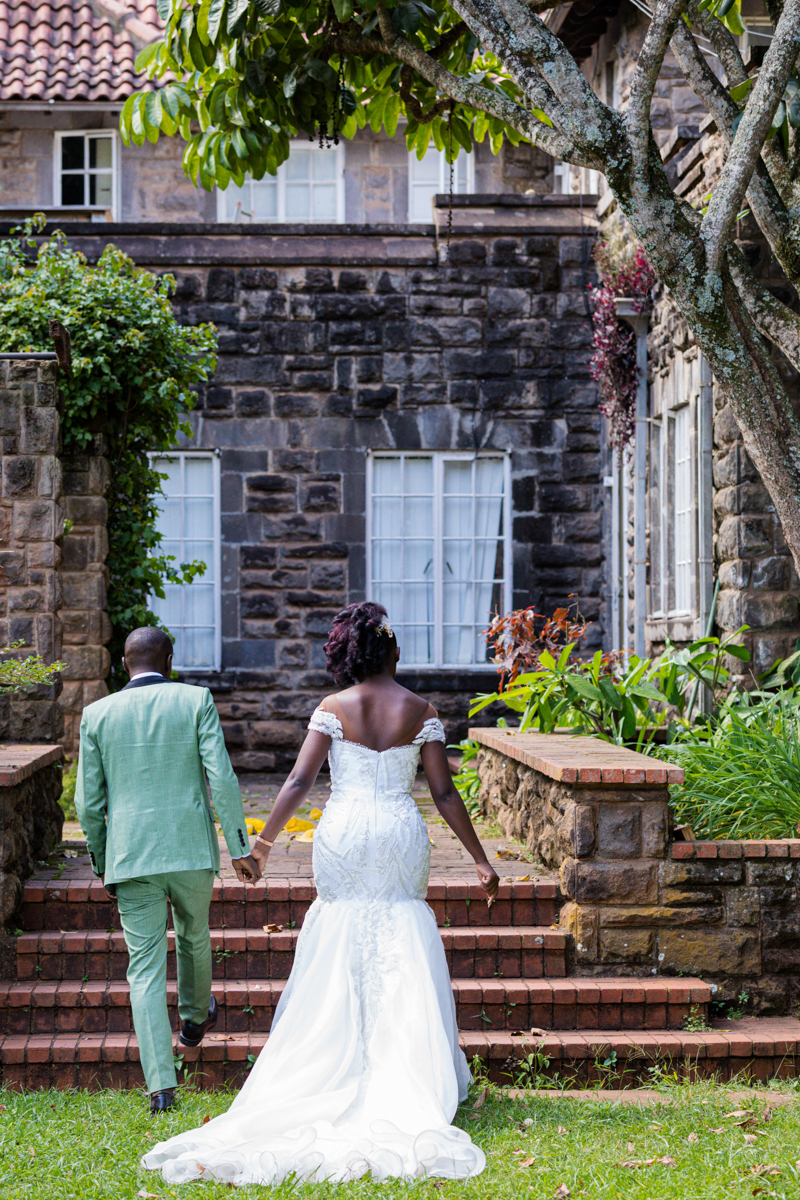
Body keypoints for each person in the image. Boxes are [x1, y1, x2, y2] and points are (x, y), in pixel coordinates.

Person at [143, 602, 499, 1184]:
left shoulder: (333, 709)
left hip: (344, 832)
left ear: (352, 654)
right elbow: (443, 793)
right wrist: (481, 860)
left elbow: (299, 781)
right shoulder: (422, 710)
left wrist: (261, 847)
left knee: (338, 926)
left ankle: (328, 1060)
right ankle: (407, 1070)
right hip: (397, 833)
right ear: (392, 653)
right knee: (402, 926)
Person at [74, 627, 260, 1114]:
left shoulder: (96, 715)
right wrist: (239, 847)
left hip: (131, 856)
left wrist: (100, 859)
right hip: (190, 850)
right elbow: (221, 775)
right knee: (195, 934)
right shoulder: (195, 700)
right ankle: (195, 1020)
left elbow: (88, 804)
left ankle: (161, 1087)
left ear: (122, 663)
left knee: (144, 969)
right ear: (170, 660)